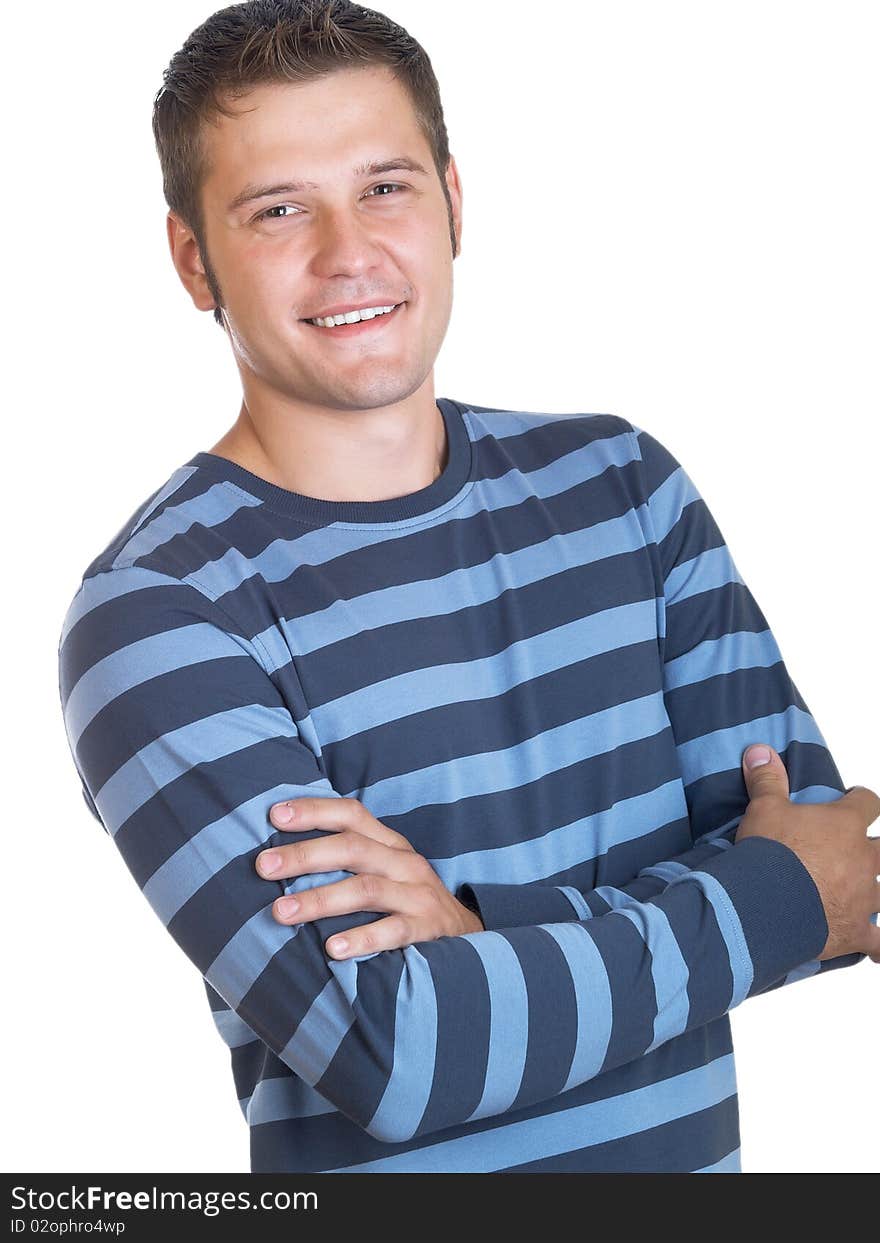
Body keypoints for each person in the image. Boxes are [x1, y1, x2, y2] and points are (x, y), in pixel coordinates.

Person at [57, 0, 880, 1174]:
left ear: (454, 200)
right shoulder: (157, 613)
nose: (349, 253)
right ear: (194, 259)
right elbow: (399, 1052)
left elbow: (840, 876)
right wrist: (758, 897)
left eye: (384, 186)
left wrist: (482, 924)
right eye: (279, 209)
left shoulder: (622, 488)